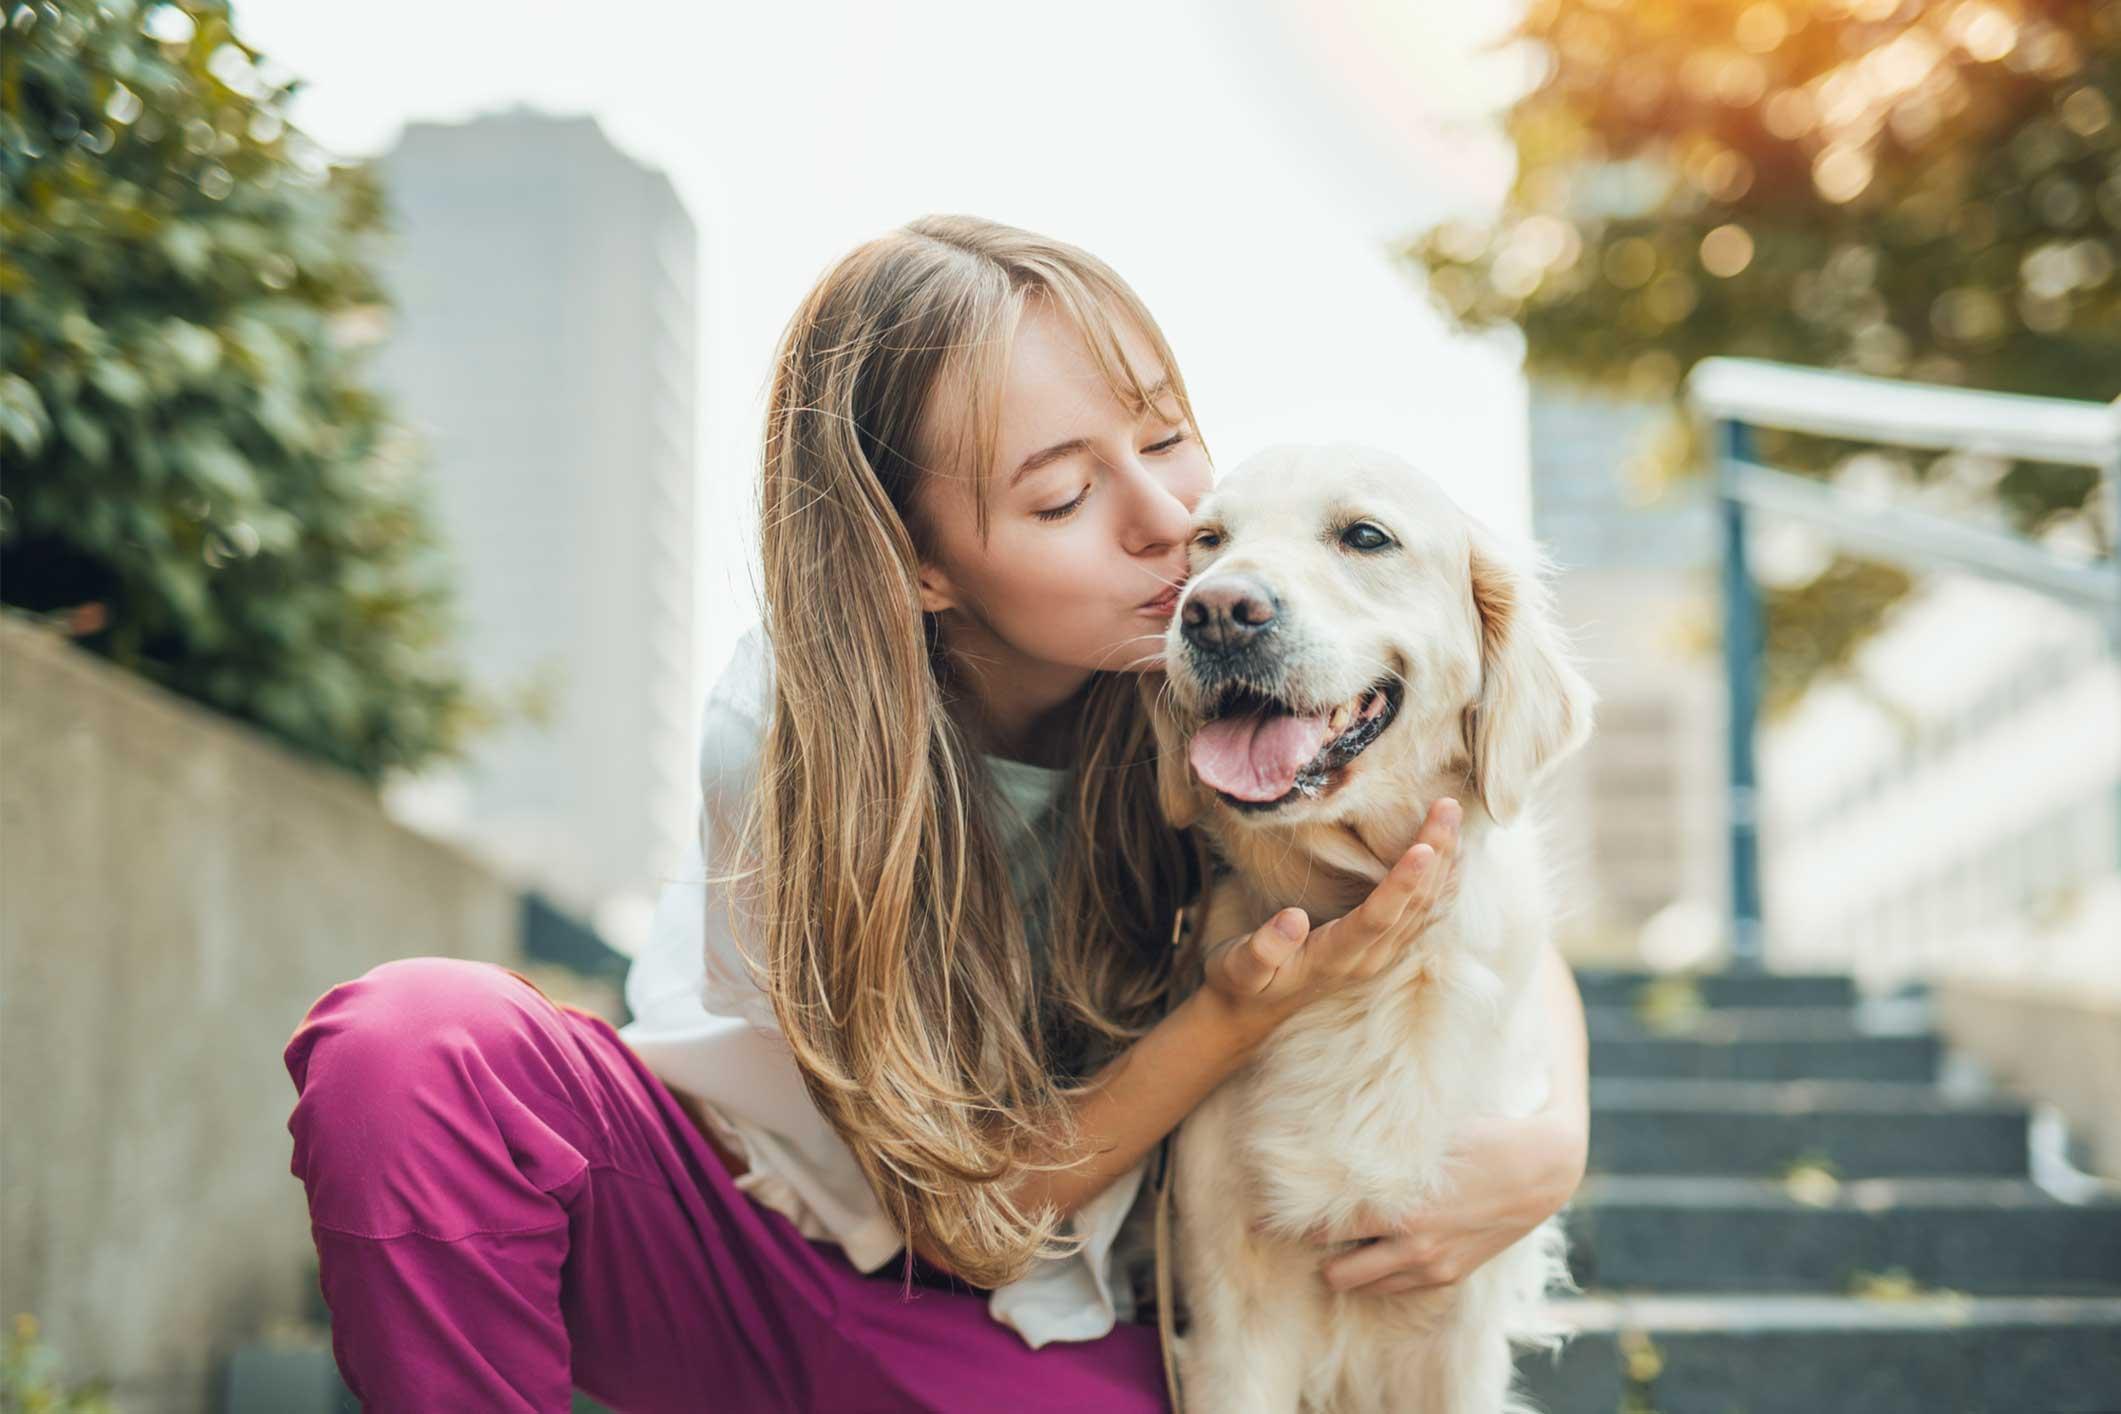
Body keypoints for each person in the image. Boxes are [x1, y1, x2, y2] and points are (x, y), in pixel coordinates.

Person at [282, 214, 1591, 1413]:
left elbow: (1459, 881)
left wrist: (1552, 1137)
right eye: (1062, 495)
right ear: (918, 562)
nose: (1168, 524)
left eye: (1159, 438)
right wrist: (1237, 1010)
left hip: (1014, 1318)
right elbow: (961, 1205)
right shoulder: (786, 729)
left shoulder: (1232, 696)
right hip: (727, 1233)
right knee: (414, 1042)